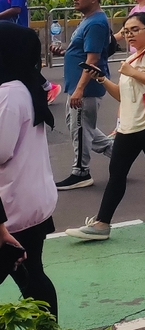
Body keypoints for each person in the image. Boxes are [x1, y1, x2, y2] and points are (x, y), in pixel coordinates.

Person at [64, 12, 145, 242]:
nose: (130, 35)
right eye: (126, 31)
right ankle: (102, 225)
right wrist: (102, 79)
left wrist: (133, 72)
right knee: (117, 174)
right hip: (130, 126)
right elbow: (123, 96)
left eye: (135, 29)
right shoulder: (132, 59)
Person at [0, 21, 59, 315]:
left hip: (13, 205)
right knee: (31, 275)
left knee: (31, 276)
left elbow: (0, 150)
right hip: (28, 200)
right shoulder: (24, 82)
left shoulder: (9, 92)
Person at [50, 0, 113, 189]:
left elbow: (93, 59)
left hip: (85, 87)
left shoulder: (95, 22)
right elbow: (84, 51)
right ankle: (118, 153)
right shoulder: (89, 20)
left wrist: (80, 89)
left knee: (80, 128)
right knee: (78, 126)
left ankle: (81, 172)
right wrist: (66, 51)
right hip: (79, 85)